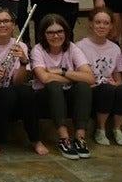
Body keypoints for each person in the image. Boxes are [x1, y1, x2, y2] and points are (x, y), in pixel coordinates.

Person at [0, 8, 47, 157]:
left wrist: (24, 62)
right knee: (7, 95)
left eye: (6, 21)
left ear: (13, 25)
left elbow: (17, 82)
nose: (2, 25)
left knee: (27, 92)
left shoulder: (20, 46)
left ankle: (35, 139)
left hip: (12, 94)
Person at [30, 14, 96, 160]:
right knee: (54, 86)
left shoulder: (72, 48)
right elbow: (44, 78)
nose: (56, 36)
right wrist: (73, 77)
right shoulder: (38, 50)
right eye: (50, 32)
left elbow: (90, 78)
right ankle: (64, 138)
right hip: (45, 97)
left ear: (66, 32)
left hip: (67, 96)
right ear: (43, 34)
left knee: (83, 87)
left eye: (60, 31)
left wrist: (63, 71)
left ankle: (80, 138)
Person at [76, 7, 122, 147]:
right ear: (91, 24)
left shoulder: (115, 48)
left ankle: (117, 129)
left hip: (108, 86)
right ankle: (100, 129)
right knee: (106, 90)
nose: (102, 26)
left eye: (106, 23)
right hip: (91, 88)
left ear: (111, 26)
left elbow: (118, 76)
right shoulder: (80, 46)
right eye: (98, 22)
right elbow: (77, 75)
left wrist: (117, 84)